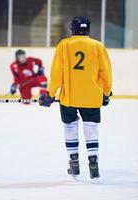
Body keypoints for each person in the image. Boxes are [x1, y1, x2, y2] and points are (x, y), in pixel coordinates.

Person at [39, 16, 113, 179]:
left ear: (72, 29)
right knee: (91, 127)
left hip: (69, 98)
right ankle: (93, 164)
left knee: (70, 127)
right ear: (88, 30)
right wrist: (106, 94)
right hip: (92, 97)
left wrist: (50, 95)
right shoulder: (98, 46)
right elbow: (106, 74)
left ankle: (74, 165)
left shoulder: (64, 45)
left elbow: (57, 74)